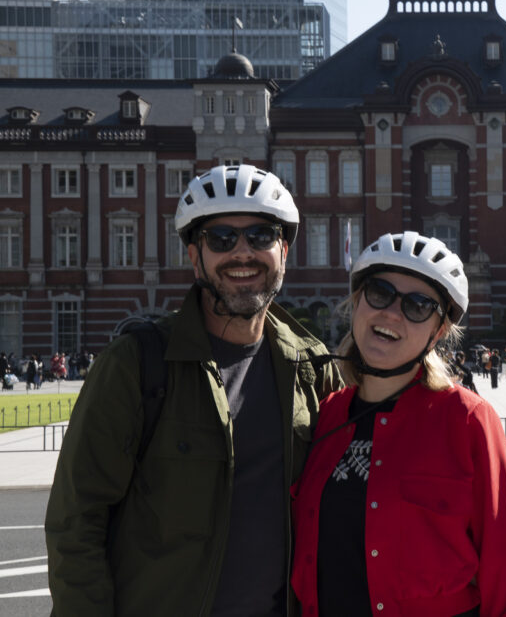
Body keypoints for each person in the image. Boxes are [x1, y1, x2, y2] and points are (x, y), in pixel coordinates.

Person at [45, 164, 341, 615]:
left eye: (261, 236)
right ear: (194, 254)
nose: (243, 253)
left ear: (284, 250)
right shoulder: (135, 364)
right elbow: (76, 522)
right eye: (221, 239)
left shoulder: (311, 366)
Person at [290, 231, 506, 616]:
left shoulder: (466, 420)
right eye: (380, 292)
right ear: (357, 302)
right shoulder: (327, 415)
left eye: (418, 305)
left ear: (437, 333)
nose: (391, 312)